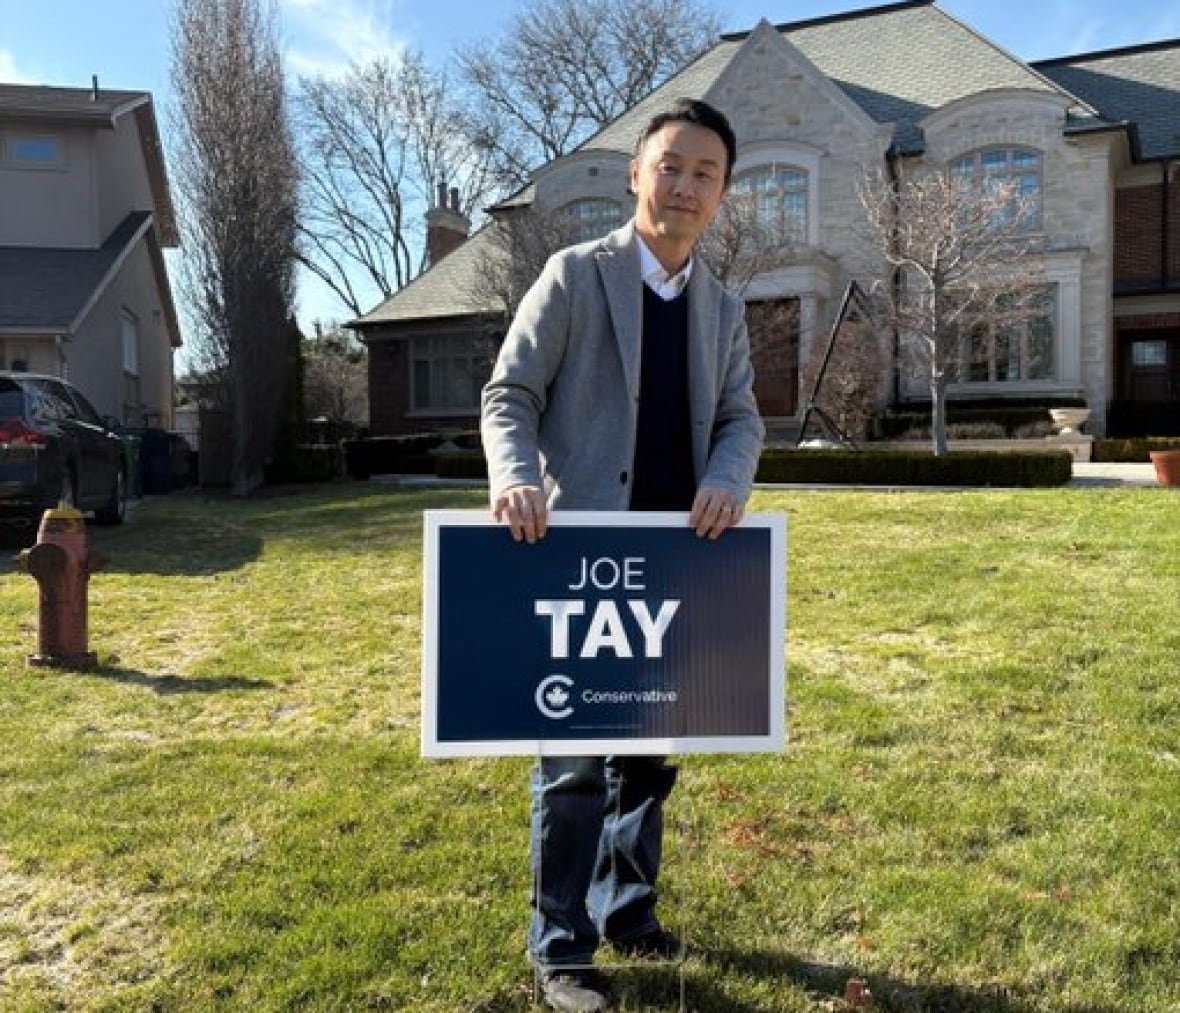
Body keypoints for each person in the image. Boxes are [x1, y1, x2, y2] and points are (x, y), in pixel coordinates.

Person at [480, 97, 765, 1013]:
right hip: (579, 554)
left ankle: (627, 911)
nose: (684, 185)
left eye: (705, 174)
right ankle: (559, 947)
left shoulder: (722, 307)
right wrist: (514, 476)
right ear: (637, 174)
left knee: (650, 755)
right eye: (670, 165)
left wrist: (729, 475)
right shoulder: (573, 275)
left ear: (721, 196)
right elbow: (508, 393)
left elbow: (741, 418)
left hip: (680, 562)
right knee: (571, 759)